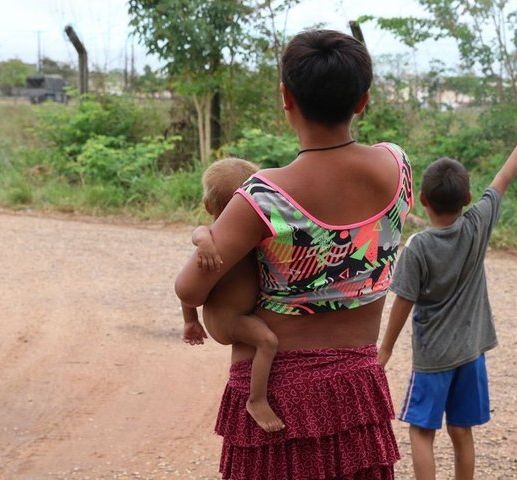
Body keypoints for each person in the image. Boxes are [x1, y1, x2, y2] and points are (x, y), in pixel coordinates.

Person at [175, 29, 414, 479]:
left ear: (286, 97)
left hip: (277, 397)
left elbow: (190, 288)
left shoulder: (264, 196)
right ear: (362, 101)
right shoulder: (397, 166)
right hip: (357, 391)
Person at [378, 112, 517, 480]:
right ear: (468, 198)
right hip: (471, 353)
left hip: (433, 358)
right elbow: (504, 178)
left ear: (422, 200)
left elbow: (403, 302)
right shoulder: (477, 225)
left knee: (421, 431)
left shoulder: (418, 247)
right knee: (461, 431)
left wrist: (386, 349)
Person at [180, 157, 285, 433]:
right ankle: (256, 399)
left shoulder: (253, 233)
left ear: (207, 204)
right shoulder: (212, 237)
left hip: (238, 313)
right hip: (227, 321)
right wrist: (204, 242)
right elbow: (198, 236)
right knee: (267, 341)